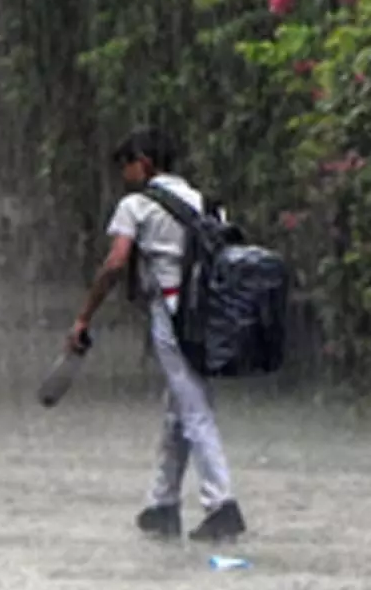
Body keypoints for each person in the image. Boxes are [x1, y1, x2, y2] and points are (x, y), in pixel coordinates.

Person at [66, 127, 247, 542]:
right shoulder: (205, 203)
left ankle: (222, 504)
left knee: (195, 408)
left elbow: (115, 264)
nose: (124, 175)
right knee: (178, 408)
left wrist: (84, 317)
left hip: (170, 311)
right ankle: (162, 503)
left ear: (144, 163)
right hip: (208, 313)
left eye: (127, 166)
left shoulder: (137, 206)